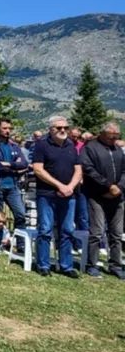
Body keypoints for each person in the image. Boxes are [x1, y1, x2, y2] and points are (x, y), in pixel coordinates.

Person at [31, 116, 81, 278]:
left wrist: (70, 187)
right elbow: (38, 170)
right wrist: (60, 186)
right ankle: (43, 265)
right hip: (47, 195)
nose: (63, 130)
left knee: (67, 230)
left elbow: (78, 170)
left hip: (69, 195)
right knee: (45, 230)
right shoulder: (41, 145)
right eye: (59, 128)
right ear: (50, 129)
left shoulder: (70, 145)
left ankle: (66, 266)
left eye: (65, 128)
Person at [79, 122, 124, 280]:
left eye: (116, 137)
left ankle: (116, 265)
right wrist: (108, 186)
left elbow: (124, 170)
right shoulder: (90, 148)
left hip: (117, 196)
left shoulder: (117, 149)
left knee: (116, 233)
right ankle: (92, 265)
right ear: (102, 134)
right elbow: (88, 169)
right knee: (97, 233)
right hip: (97, 195)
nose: (113, 140)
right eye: (110, 137)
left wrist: (119, 187)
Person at [0, 118, 30, 229]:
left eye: (9, 128)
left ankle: (20, 238)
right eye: (5, 128)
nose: (8, 131)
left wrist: (9, 164)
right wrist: (15, 167)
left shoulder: (13, 145)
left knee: (21, 214)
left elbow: (24, 163)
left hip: (12, 185)